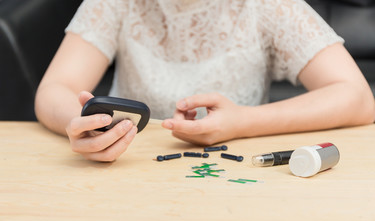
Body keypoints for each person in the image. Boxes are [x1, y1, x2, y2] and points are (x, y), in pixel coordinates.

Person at [35, 0, 375, 162]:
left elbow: (357, 96)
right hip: (125, 168)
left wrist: (244, 121)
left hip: (232, 175)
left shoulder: (270, 5)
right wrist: (84, 125)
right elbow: (54, 89)